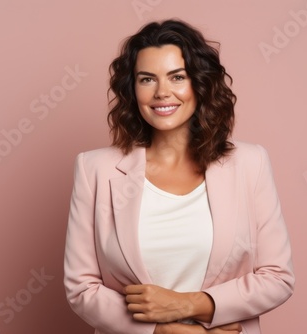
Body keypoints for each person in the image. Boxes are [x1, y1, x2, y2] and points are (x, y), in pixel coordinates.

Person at [64, 19, 294, 334]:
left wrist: (190, 304)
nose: (162, 92)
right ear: (132, 89)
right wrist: (164, 330)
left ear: (200, 83)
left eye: (177, 77)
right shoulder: (95, 170)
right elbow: (82, 288)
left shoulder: (250, 164)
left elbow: (277, 277)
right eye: (147, 79)